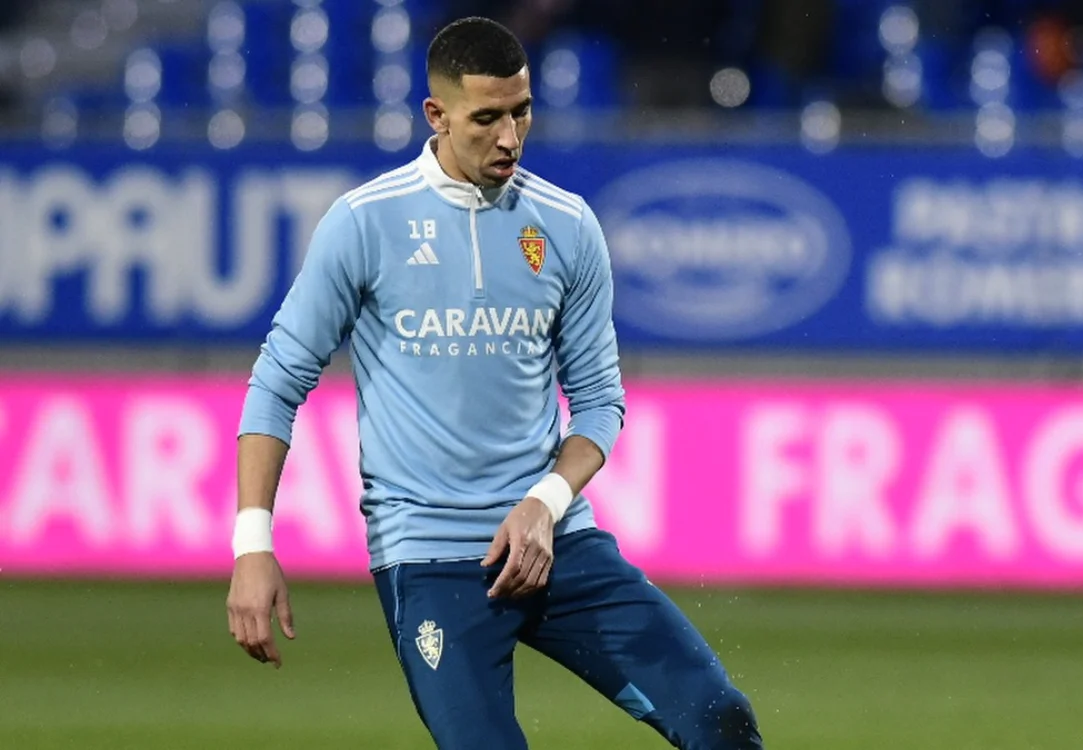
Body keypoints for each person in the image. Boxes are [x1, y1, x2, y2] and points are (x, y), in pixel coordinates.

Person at [225, 15, 763, 750]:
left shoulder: (566, 226)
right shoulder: (365, 223)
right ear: (437, 115)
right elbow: (276, 382)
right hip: (430, 558)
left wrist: (544, 504)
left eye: (522, 112)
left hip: (555, 543)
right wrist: (252, 546)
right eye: (486, 118)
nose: (510, 137)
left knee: (720, 717)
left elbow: (600, 403)